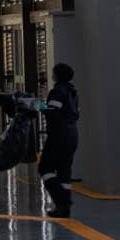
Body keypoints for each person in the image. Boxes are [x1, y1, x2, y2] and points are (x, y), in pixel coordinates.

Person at [38, 62, 80, 217]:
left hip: (59, 135)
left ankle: (62, 200)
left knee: (45, 168)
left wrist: (37, 105)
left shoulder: (58, 91)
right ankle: (64, 209)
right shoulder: (72, 91)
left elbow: (52, 111)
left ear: (56, 75)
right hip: (72, 135)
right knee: (64, 171)